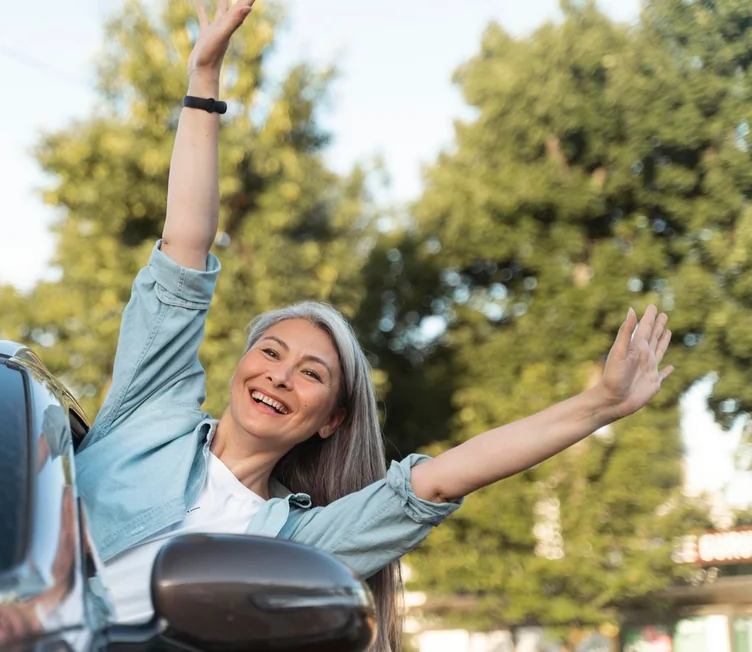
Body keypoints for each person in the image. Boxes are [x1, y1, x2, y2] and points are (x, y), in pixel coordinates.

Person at [74, 2, 674, 651]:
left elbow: (444, 479)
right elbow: (186, 248)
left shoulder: (299, 545)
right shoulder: (148, 415)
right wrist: (206, 74)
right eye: (271, 352)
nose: (280, 375)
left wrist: (600, 404)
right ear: (241, 365)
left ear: (330, 418)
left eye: (311, 375)